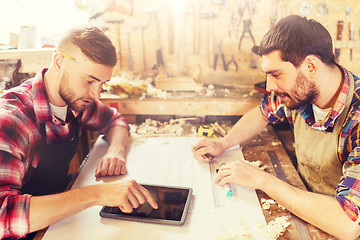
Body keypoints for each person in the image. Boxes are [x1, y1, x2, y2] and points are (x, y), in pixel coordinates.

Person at [193, 15, 360, 239]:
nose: (270, 86)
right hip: (306, 203)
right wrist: (223, 144)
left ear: (311, 66)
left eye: (276, 74)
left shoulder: (356, 117)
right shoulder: (300, 92)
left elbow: (348, 224)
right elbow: (263, 112)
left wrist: (262, 180)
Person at [0, 26, 158, 239]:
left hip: (60, 218)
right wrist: (96, 193)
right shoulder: (11, 121)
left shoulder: (74, 101)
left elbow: (114, 120)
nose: (96, 93)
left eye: (102, 83)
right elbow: (4, 216)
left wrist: (115, 151)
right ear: (59, 63)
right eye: (90, 80)